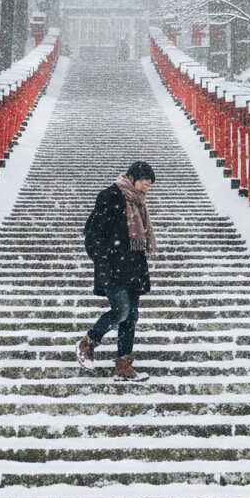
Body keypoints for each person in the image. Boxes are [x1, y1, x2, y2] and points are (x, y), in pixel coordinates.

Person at [79, 161, 158, 382]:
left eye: (149, 185)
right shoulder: (110, 196)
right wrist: (105, 258)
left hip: (134, 267)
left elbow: (139, 237)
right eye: (144, 183)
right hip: (114, 267)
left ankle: (124, 365)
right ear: (132, 179)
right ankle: (87, 343)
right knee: (121, 311)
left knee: (131, 317)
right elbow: (92, 234)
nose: (146, 188)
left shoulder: (138, 202)